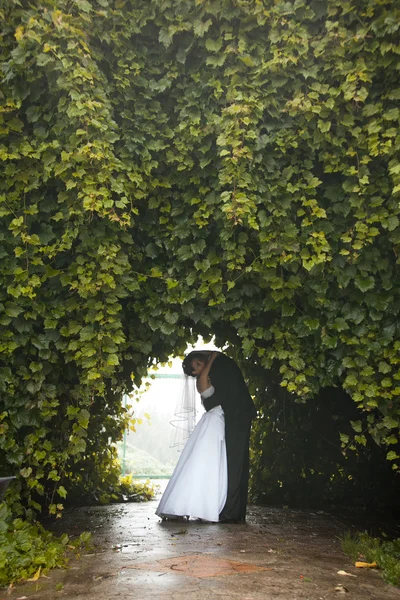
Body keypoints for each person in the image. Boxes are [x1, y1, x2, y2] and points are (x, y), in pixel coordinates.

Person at [183, 350, 257, 523]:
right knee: (232, 464)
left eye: (199, 364)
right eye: (197, 369)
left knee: (233, 464)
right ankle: (232, 511)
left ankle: (232, 511)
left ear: (201, 359)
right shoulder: (213, 369)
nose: (201, 368)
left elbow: (223, 395)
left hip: (233, 418)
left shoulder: (220, 365)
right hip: (228, 419)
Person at [156, 352, 227, 522]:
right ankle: (198, 505)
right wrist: (213, 358)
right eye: (196, 366)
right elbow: (209, 365)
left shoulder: (206, 376)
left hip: (216, 421)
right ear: (195, 373)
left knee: (207, 461)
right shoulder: (202, 378)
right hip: (214, 422)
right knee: (207, 462)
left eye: (198, 362)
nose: (200, 364)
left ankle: (201, 503)